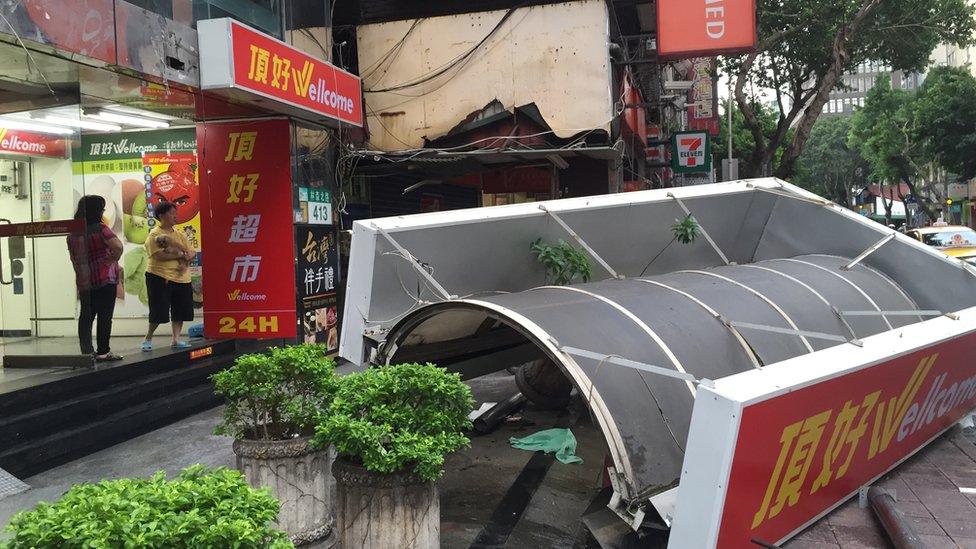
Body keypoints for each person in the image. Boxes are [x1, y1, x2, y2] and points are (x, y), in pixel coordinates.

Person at [67, 195, 124, 361]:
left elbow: (73, 258)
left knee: (86, 316)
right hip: (105, 278)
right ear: (97, 211)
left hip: (85, 281)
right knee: (105, 317)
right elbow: (118, 246)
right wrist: (113, 259)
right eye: (102, 209)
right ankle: (103, 352)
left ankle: (86, 352)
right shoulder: (100, 228)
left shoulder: (73, 233)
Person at [143, 202, 195, 351]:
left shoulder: (180, 234)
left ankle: (176, 339)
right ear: (161, 215)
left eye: (175, 212)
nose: (175, 215)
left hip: (182, 277)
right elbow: (158, 255)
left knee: (181, 309)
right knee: (159, 310)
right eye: (172, 212)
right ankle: (148, 337)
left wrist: (183, 255)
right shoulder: (155, 234)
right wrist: (180, 255)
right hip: (159, 276)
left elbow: (191, 253)